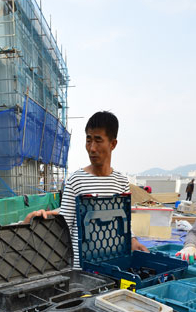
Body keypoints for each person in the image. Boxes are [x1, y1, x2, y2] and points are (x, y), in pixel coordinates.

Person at [24, 111, 148, 268]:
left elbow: (123, 224)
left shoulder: (121, 182)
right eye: (88, 140)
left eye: (98, 140)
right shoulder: (76, 180)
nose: (92, 148)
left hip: (113, 266)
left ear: (113, 144)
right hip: (82, 269)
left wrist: (132, 241)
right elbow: (64, 225)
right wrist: (37, 222)